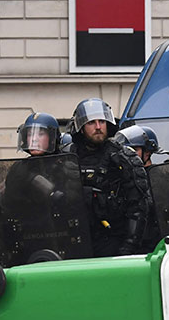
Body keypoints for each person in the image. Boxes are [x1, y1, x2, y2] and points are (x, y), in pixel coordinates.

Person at [63, 99, 150, 257]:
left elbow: (138, 207)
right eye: (91, 123)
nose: (98, 127)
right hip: (75, 241)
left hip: (112, 241)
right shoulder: (67, 157)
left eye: (101, 121)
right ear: (81, 128)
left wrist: (129, 246)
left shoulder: (124, 157)